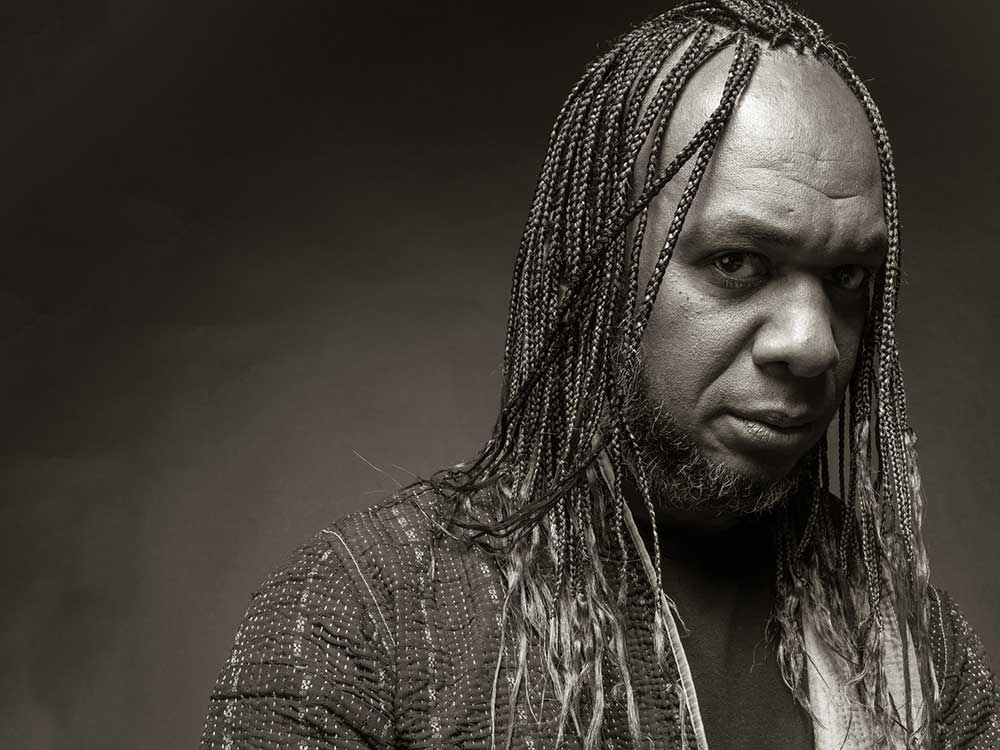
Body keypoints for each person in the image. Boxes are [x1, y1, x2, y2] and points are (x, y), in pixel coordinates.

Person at [200, 2, 998, 748]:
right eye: (737, 262)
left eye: (848, 277)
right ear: (601, 270)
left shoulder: (915, 649)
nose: (813, 342)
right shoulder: (369, 618)